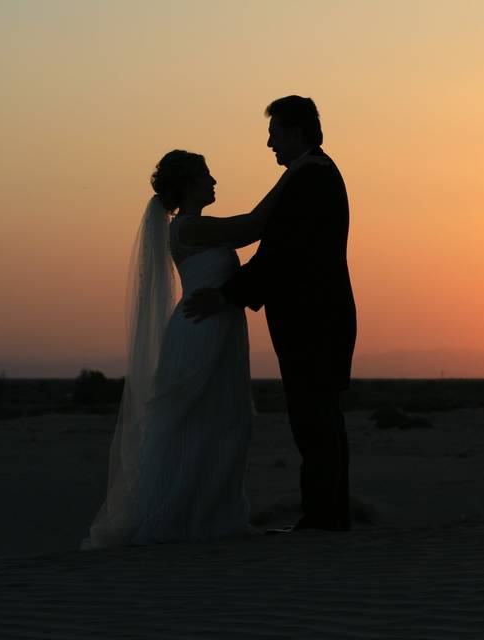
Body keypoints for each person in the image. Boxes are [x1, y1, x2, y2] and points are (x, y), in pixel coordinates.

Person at [82, 149, 317, 549]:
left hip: (220, 331)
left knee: (223, 422)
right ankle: (174, 517)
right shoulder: (188, 229)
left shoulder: (195, 227)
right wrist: (294, 174)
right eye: (206, 176)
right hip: (199, 332)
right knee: (194, 421)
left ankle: (208, 514)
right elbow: (251, 227)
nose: (214, 182)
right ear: (189, 185)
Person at [185, 96, 357, 533]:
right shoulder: (312, 175)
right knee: (321, 418)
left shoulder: (311, 179)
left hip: (313, 320)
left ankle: (323, 519)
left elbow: (282, 254)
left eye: (274, 134)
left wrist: (225, 295)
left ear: (296, 132)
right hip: (320, 317)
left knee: (314, 419)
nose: (269, 144)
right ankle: (329, 514)